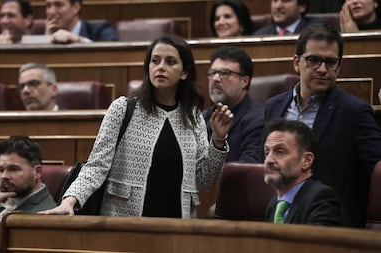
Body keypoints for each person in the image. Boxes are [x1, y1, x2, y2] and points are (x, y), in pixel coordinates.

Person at [40, 34, 234, 218]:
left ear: (184, 72)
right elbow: (97, 166)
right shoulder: (123, 108)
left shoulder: (192, 117)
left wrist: (218, 140)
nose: (161, 67)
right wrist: (69, 201)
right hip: (125, 222)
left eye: (170, 62)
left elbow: (205, 181)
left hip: (176, 226)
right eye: (155, 61)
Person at [264, 23, 381, 228]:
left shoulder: (354, 112)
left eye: (330, 62)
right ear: (296, 62)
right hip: (281, 216)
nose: (323, 69)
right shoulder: (274, 106)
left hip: (333, 223)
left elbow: (377, 174)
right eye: (314, 60)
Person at [0, 136, 57, 253]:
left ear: (37, 172)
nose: (4, 176)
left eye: (13, 169)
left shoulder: (45, 214)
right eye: (0, 170)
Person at [263, 119, 343, 225]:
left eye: (280, 151)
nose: (269, 160)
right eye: (267, 152)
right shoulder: (273, 205)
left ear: (306, 160)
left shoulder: (321, 199)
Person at [203, 46, 264, 162]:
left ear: (244, 81)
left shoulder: (258, 121)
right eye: (212, 73)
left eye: (225, 73)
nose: (215, 78)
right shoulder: (202, 117)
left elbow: (247, 171)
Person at [45, 0, 118, 43]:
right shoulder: (42, 32)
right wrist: (46, 40)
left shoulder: (101, 29)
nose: (51, 12)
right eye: (48, 6)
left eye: (59, 5)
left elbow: (114, 52)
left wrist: (78, 40)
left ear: (76, 8)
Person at [254, 0, 322, 35]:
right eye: (275, 0)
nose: (278, 6)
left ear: (302, 6)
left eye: (286, 0)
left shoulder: (316, 32)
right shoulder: (259, 35)